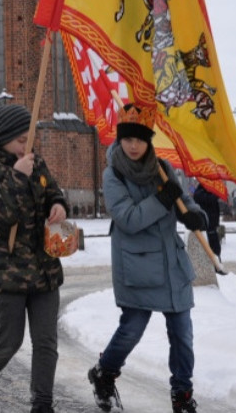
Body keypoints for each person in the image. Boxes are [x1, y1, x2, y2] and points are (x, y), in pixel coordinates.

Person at [87, 104, 206, 413]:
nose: (134, 145)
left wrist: (195, 216)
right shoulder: (113, 174)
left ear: (149, 140)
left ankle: (182, 394)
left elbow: (185, 200)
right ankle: (105, 372)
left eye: (141, 138)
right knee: (131, 330)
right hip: (137, 265)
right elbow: (127, 218)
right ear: (120, 139)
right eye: (128, 138)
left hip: (172, 264)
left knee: (182, 335)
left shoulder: (164, 168)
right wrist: (161, 199)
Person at [0, 104, 70, 413]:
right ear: (6, 138)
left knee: (46, 342)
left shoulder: (35, 163)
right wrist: (15, 176)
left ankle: (42, 404)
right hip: (8, 270)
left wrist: (60, 205)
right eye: (20, 140)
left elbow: (54, 192)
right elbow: (0, 216)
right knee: (10, 341)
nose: (27, 146)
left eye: (30, 139)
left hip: (44, 267)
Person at [192, 185, 223, 260]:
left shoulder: (207, 192)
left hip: (212, 225)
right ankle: (215, 264)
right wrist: (216, 193)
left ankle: (217, 263)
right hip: (206, 225)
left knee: (215, 247)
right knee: (211, 247)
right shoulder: (200, 193)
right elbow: (209, 199)